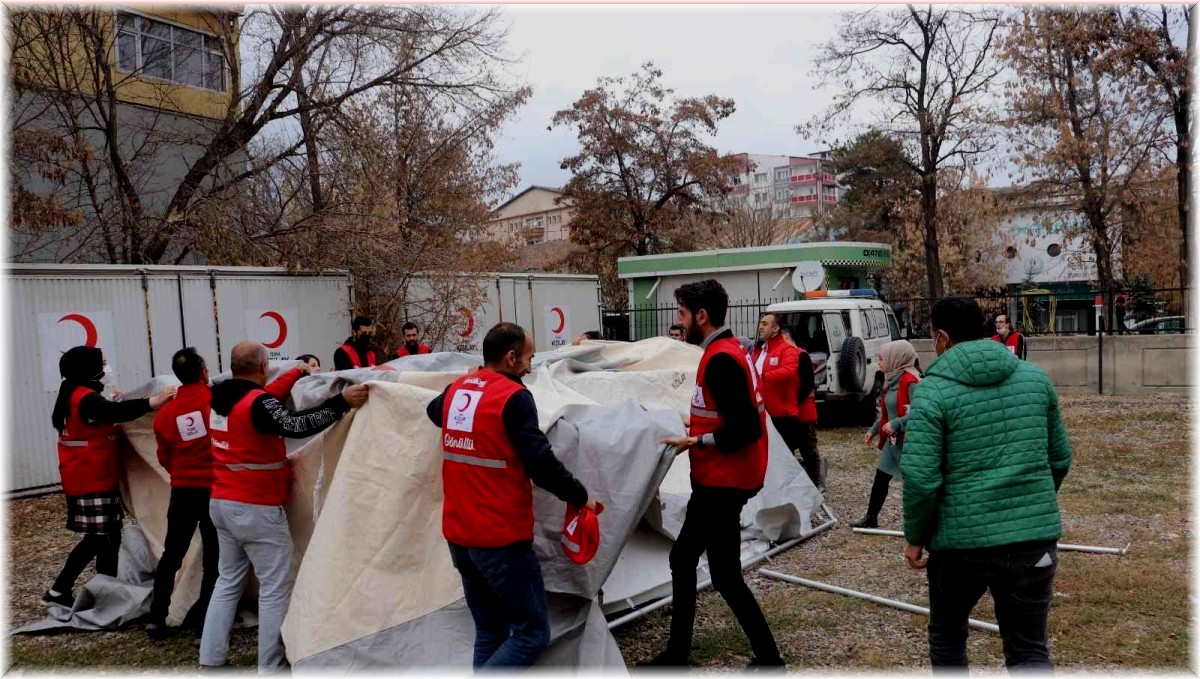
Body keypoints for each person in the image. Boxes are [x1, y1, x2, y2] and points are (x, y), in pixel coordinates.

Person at [902, 297, 1072, 670]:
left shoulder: (932, 390)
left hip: (961, 546)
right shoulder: (1035, 379)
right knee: (1029, 647)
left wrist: (916, 535)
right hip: (1032, 543)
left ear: (942, 337)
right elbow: (1060, 458)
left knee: (948, 636)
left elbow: (920, 477)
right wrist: (1029, 503)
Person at [425, 322, 599, 668]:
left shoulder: (460, 389)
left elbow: (434, 411)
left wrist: (468, 382)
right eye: (528, 358)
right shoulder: (515, 398)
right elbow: (541, 464)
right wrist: (579, 495)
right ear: (510, 357)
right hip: (499, 537)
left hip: (460, 536)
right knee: (531, 634)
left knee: (490, 629)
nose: (531, 365)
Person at [200, 342, 368, 672]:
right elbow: (295, 424)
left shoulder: (220, 396)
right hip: (255, 507)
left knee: (227, 581)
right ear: (263, 366)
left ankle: (211, 660)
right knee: (276, 587)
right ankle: (272, 667)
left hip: (221, 502)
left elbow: (263, 401)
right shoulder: (258, 403)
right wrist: (341, 403)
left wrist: (295, 372)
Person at [646, 280, 784, 668]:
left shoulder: (722, 358)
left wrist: (699, 441)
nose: (679, 321)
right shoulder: (729, 351)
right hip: (728, 479)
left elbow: (746, 429)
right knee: (723, 574)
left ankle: (677, 656)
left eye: (682, 314)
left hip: (723, 481)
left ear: (701, 317)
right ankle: (769, 660)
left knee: (682, 558)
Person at [147, 349, 314, 641]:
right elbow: (263, 399)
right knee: (216, 562)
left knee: (172, 554)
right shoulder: (217, 400)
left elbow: (164, 457)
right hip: (216, 488)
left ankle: (156, 617)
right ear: (203, 372)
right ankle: (204, 626)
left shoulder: (164, 415)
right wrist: (296, 371)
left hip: (183, 491)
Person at [45, 347, 176, 608]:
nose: (106, 368)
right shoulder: (84, 398)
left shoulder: (77, 394)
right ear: (87, 369)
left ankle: (107, 588)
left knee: (109, 536)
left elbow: (105, 412)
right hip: (90, 478)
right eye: (102, 363)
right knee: (99, 537)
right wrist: (153, 402)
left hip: (90, 475)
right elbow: (115, 413)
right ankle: (59, 590)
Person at [853, 340, 921, 529]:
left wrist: (898, 424)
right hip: (893, 442)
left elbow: (919, 412)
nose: (879, 361)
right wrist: (873, 431)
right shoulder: (892, 380)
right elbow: (886, 413)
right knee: (881, 477)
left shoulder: (911, 382)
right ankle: (871, 517)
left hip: (909, 443)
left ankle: (918, 523)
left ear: (895, 359)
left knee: (913, 485)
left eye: (882, 358)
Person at [752, 314, 822, 490]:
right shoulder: (761, 352)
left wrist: (763, 377)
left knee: (793, 455)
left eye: (765, 324)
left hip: (783, 415)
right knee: (766, 457)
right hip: (763, 414)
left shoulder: (789, 351)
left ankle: (807, 489)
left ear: (776, 329)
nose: (760, 327)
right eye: (760, 323)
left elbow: (790, 372)